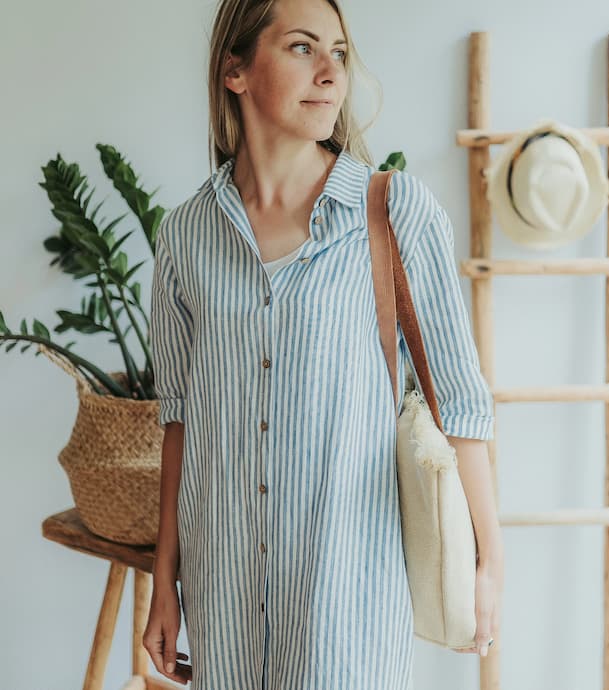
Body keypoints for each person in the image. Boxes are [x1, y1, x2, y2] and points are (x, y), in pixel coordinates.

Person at [143, 0, 504, 687]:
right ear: (235, 71)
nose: (330, 73)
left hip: (350, 605)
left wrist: (489, 562)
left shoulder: (394, 211)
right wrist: (166, 580)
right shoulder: (186, 236)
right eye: (303, 48)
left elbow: (459, 398)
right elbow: (178, 419)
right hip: (226, 603)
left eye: (338, 53)